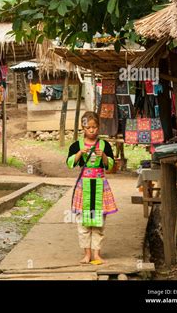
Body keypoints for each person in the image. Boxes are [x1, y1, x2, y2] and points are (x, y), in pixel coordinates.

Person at [66, 111, 118, 264]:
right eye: (88, 127)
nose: (92, 130)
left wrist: (103, 156)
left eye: (94, 127)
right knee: (83, 222)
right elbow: (70, 163)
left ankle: (97, 254)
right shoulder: (77, 145)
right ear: (83, 128)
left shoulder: (104, 145)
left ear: (99, 127)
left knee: (99, 222)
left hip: (100, 186)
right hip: (84, 188)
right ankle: (87, 254)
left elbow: (111, 165)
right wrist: (78, 154)